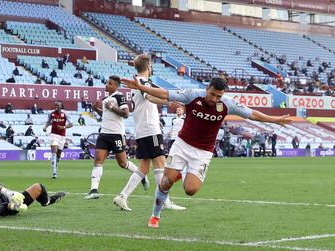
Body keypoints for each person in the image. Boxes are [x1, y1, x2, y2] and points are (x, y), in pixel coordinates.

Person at [121, 76, 292, 228]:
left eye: (219, 96)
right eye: (213, 94)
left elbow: (251, 114)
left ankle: (183, 173)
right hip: (182, 145)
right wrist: (141, 87)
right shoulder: (192, 95)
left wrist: (275, 120)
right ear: (207, 89)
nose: (215, 98)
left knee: (191, 190)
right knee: (166, 181)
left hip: (203, 152)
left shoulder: (227, 104)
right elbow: (165, 94)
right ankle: (155, 216)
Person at [113, 54, 185, 211]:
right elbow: (150, 97)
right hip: (149, 128)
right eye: (151, 66)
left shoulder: (138, 82)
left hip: (142, 128)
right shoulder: (143, 82)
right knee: (160, 163)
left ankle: (122, 196)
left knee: (144, 167)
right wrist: (168, 102)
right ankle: (165, 201)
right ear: (148, 67)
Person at [85, 76, 149, 199]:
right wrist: (96, 110)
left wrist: (112, 107)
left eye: (109, 83)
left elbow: (126, 114)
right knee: (98, 161)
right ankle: (94, 190)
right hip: (104, 134)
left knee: (122, 163)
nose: (106, 85)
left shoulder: (119, 97)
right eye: (106, 82)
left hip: (116, 134)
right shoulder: (105, 99)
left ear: (115, 86)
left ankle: (142, 175)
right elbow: (105, 115)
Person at [0, 180, 65, 219]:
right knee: (38, 187)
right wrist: (16, 206)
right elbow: (4, 208)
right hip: (8, 204)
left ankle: (6, 191)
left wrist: (7, 192)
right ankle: (47, 201)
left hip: (1, 194)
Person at [43, 101, 73, 179]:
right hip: (54, 135)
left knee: (58, 154)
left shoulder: (65, 114)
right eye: (55, 105)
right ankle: (54, 172)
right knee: (54, 152)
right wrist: (45, 127)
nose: (56, 106)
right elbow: (48, 122)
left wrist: (63, 127)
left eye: (58, 105)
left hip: (62, 136)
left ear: (61, 106)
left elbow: (71, 124)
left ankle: (56, 164)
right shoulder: (51, 113)